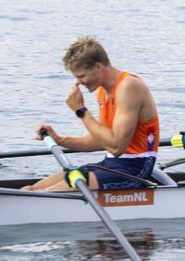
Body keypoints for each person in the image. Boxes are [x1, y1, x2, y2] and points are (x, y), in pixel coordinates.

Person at [25, 37, 161, 191]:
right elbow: (100, 141)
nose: (78, 82)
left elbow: (116, 148)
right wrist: (59, 139)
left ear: (98, 67)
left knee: (44, 195)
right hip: (110, 165)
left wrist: (81, 111)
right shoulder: (102, 91)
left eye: (81, 76)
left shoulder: (129, 86)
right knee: (31, 189)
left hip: (134, 170)